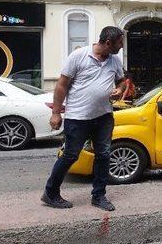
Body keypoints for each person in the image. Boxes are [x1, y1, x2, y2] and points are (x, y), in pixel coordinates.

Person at [42, 26, 125, 211]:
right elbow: (62, 85)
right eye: (120, 43)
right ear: (108, 42)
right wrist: (56, 112)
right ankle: (50, 192)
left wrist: (119, 90)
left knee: (103, 155)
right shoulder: (79, 56)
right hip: (77, 117)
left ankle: (99, 195)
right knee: (70, 155)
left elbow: (121, 81)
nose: (121, 46)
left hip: (103, 117)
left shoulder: (115, 60)